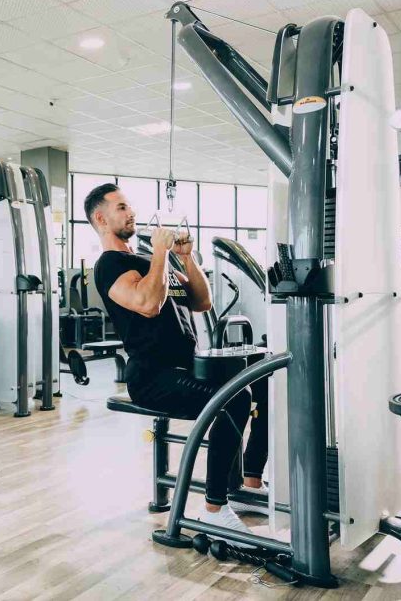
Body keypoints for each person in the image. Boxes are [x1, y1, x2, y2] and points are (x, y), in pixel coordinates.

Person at [84, 183, 267, 538]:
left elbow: (202, 301)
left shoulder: (149, 263)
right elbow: (148, 304)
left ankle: (249, 483)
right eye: (122, 208)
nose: (132, 213)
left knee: (261, 383)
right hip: (152, 377)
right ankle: (215, 508)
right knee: (234, 402)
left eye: (130, 207)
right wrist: (159, 255)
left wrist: (185, 257)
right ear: (102, 219)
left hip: (187, 367)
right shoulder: (110, 265)